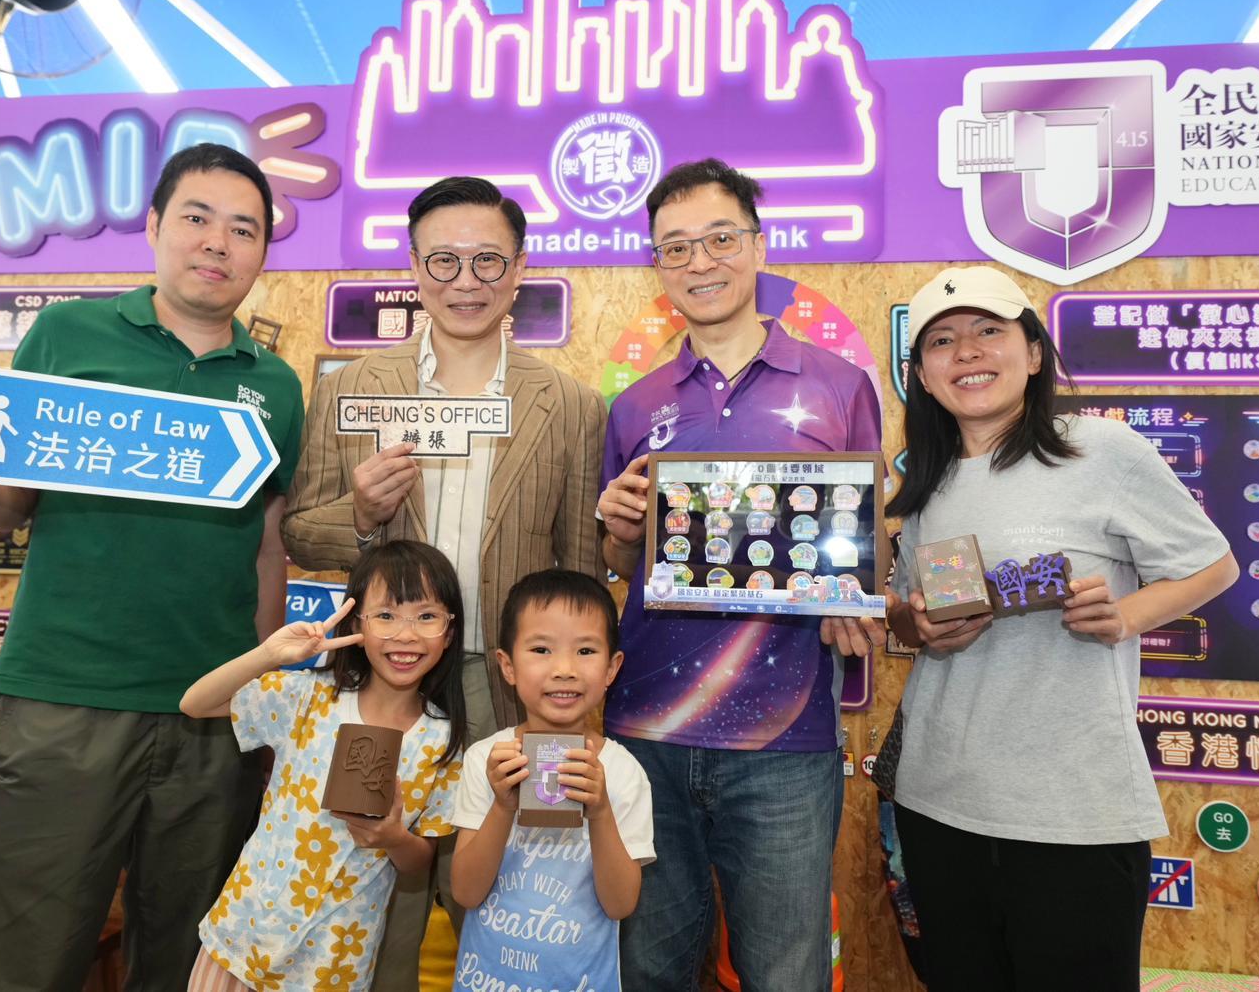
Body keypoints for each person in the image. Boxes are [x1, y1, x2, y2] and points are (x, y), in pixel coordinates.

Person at [0, 143, 305, 991]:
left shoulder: (274, 384)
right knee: (28, 955)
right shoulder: (68, 335)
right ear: (156, 225)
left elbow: (268, 540)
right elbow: (8, 507)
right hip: (63, 699)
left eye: (244, 229)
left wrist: (264, 693)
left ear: (265, 251)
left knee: (188, 958)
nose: (217, 243)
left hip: (212, 714)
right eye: (197, 218)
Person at [282, 175, 606, 983]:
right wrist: (358, 514)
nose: (468, 281)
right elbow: (300, 533)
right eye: (446, 261)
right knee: (373, 868)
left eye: (489, 261)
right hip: (386, 678)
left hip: (511, 685)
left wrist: (572, 710)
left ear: (522, 267)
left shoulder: (567, 405)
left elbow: (578, 569)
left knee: (504, 881)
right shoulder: (352, 388)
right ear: (414, 265)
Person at [884, 265, 1238, 991]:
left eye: (990, 331)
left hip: (1070, 810)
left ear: (1035, 352)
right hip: (937, 802)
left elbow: (1214, 566)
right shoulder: (926, 480)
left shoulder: (1101, 452)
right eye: (943, 342)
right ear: (921, 375)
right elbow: (905, 610)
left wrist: (1124, 617)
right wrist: (920, 627)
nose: (969, 352)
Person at [595, 158, 885, 990]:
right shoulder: (635, 404)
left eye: (720, 238)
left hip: (786, 736)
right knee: (650, 968)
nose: (699, 262)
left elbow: (864, 539)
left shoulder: (837, 387)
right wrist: (618, 529)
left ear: (759, 246)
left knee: (785, 971)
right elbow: (624, 565)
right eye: (675, 248)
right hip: (645, 726)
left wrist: (854, 598)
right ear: (656, 266)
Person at [181, 540, 467, 992]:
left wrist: (393, 837)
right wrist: (270, 655)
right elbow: (195, 703)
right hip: (243, 936)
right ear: (358, 624)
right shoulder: (308, 696)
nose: (406, 635)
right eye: (386, 616)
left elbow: (418, 861)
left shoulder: (444, 741)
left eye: (426, 616)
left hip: (334, 963)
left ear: (450, 631)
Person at [448, 570, 654, 991]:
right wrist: (503, 806)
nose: (564, 669)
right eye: (541, 649)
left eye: (585, 650)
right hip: (486, 980)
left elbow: (621, 905)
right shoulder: (485, 760)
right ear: (507, 665)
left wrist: (599, 812)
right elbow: (466, 892)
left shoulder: (623, 772)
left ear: (612, 668)